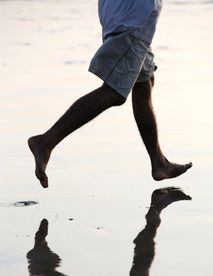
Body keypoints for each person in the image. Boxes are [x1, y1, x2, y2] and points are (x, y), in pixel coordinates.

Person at [28, 0, 192, 188]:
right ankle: (46, 141)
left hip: (136, 19)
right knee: (115, 92)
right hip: (133, 20)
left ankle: (159, 163)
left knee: (144, 83)